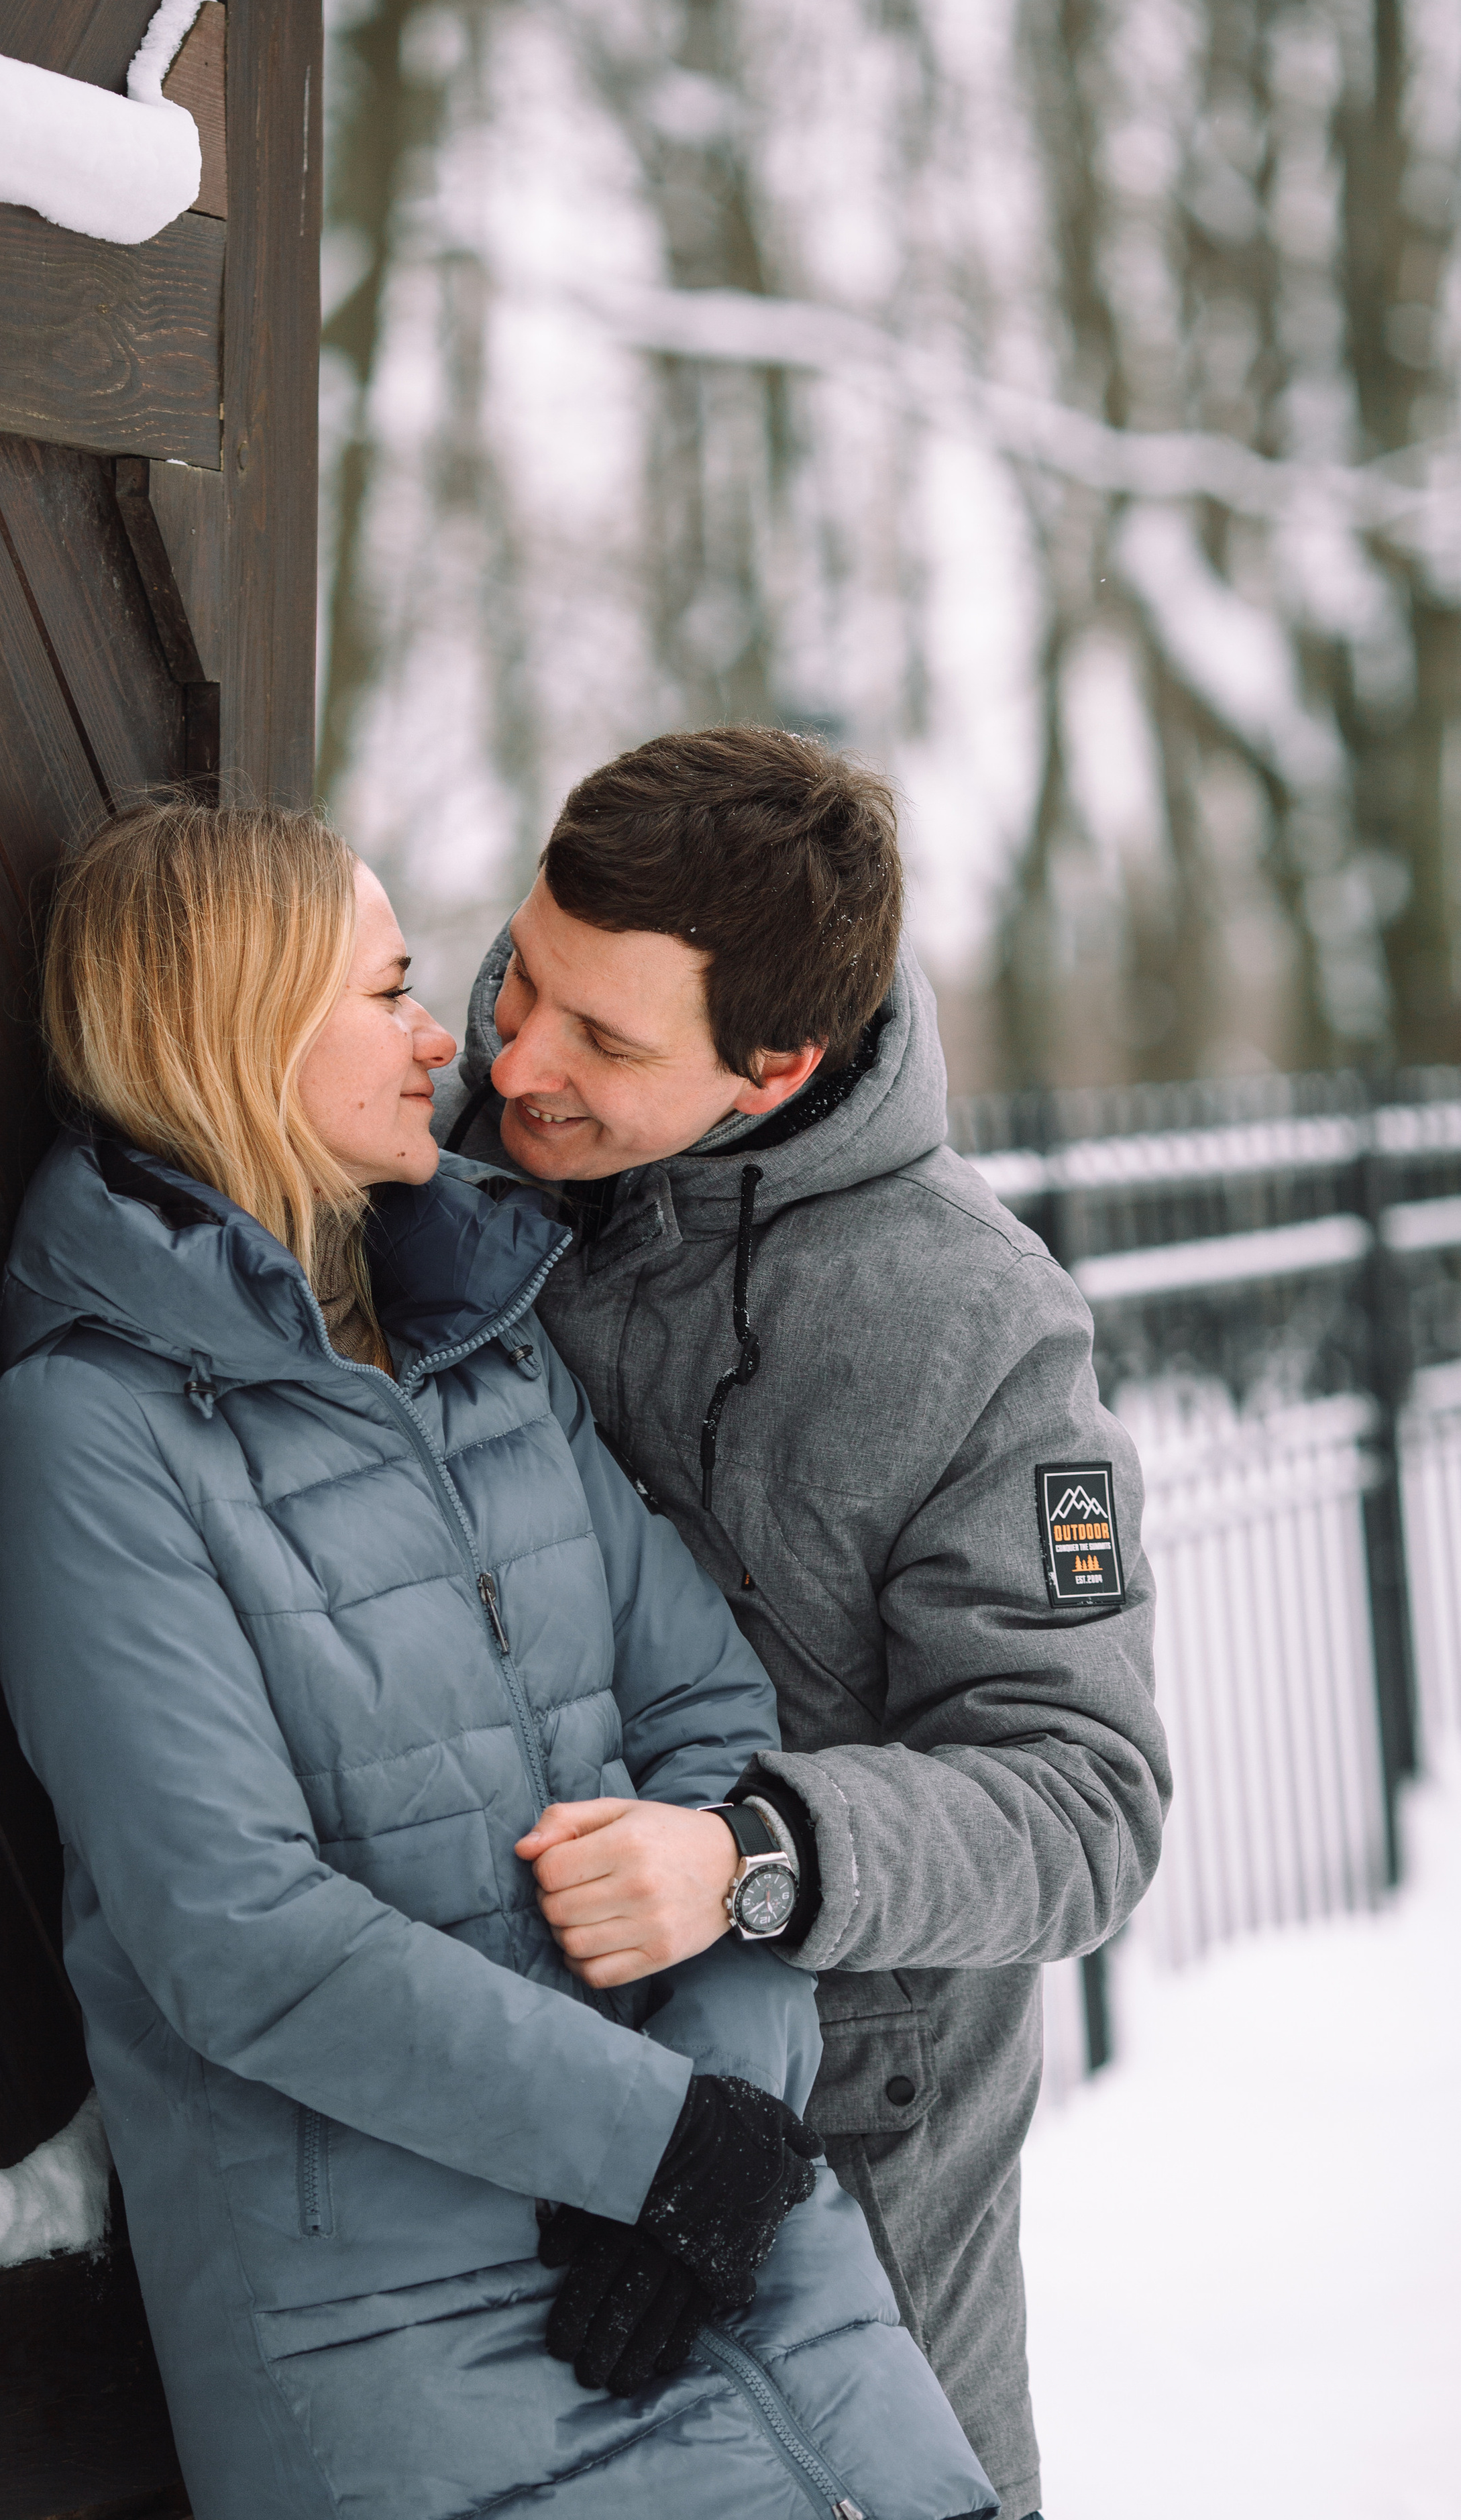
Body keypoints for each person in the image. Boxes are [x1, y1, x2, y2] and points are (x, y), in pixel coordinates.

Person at [0, 797, 996, 2520]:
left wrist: (732, 2127)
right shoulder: (94, 1433)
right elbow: (236, 1933)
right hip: (406, 2343)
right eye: (387, 992)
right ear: (237, 1029)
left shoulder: (479, 1349)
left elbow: (706, 1728)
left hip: (750, 2266)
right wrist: (659, 2144)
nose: (446, 1038)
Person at [437, 727, 1174, 2520]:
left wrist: (755, 1855)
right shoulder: (436, 1130)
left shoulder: (979, 1336)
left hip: (848, 2151)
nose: (515, 1059)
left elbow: (1087, 1799)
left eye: (604, 1040)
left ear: (773, 1068)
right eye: (520, 975)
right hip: (474, 2083)